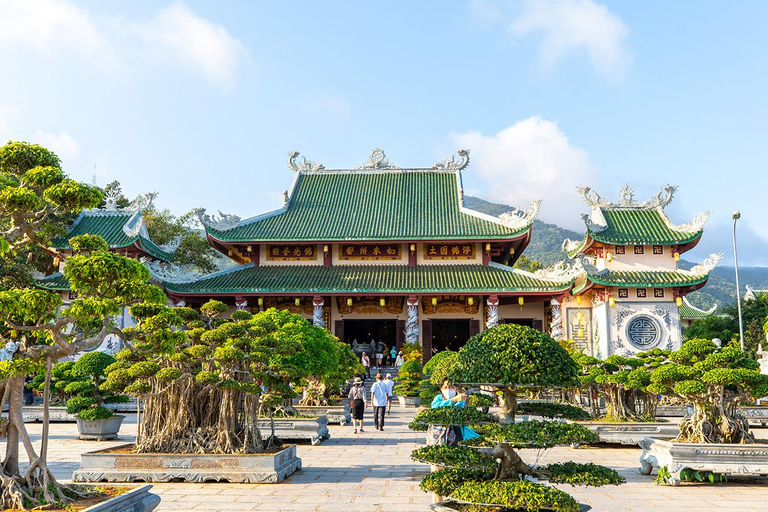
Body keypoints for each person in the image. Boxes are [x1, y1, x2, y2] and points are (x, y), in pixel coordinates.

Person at [427, 377, 480, 446]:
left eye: (451, 387)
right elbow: (435, 407)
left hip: (455, 430)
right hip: (437, 431)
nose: (448, 390)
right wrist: (453, 400)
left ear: (456, 388)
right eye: (445, 387)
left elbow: (458, 409)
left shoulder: (461, 399)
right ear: (441, 389)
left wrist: (456, 399)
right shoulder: (438, 397)